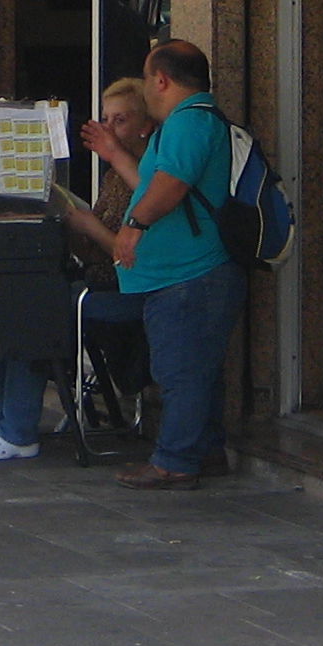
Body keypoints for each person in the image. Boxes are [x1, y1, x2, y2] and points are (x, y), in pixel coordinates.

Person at [0, 78, 154, 461]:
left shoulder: (147, 176)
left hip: (124, 291)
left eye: (120, 120)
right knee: (10, 302)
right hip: (94, 279)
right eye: (105, 118)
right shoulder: (113, 176)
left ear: (144, 125)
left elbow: (133, 253)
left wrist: (91, 227)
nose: (108, 128)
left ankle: (18, 430)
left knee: (33, 311)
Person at [111, 39, 244, 490]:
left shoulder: (188, 124)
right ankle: (204, 449)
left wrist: (133, 226)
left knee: (180, 371)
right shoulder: (193, 121)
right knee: (198, 368)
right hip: (191, 273)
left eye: (148, 78)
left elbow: (169, 186)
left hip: (189, 274)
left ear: (161, 80)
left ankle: (174, 460)